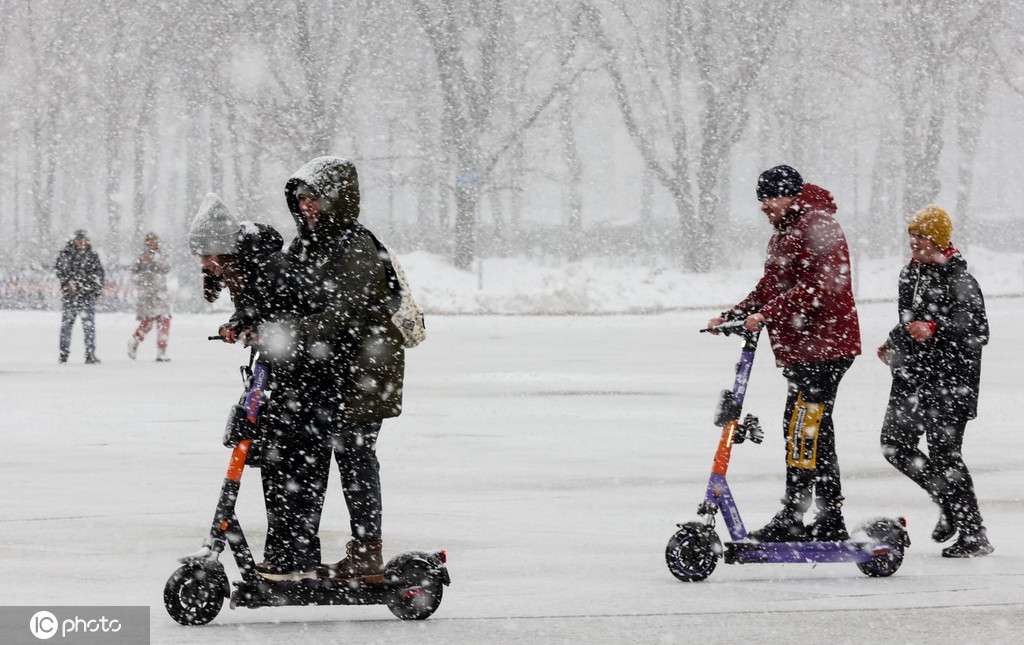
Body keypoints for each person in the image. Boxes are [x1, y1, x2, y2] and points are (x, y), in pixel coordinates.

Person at [255, 156, 405, 583]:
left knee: (355, 457)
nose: (306, 206)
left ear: (337, 199)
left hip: (364, 371)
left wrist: (286, 333)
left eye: (314, 198)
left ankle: (368, 553)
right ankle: (299, 549)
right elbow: (286, 297)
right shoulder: (304, 244)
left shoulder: (356, 245)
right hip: (325, 371)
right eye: (301, 198)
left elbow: (340, 314)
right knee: (312, 454)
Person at [707, 164, 861, 542]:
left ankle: (800, 515)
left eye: (770, 198)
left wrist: (767, 314)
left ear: (791, 195)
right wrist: (734, 314)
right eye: (760, 199)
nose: (764, 206)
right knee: (809, 429)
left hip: (825, 346)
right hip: (803, 349)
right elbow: (770, 285)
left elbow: (819, 286)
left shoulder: (818, 226)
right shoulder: (784, 232)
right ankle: (825, 515)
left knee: (804, 428)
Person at [877, 206, 992, 557]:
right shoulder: (909, 274)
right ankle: (948, 502)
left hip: (951, 380)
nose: (915, 242)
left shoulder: (960, 279)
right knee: (894, 444)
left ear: (940, 241)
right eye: (912, 235)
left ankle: (973, 534)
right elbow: (908, 320)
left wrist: (935, 329)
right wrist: (894, 342)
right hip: (912, 376)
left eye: (923, 236)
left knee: (945, 455)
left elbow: (978, 330)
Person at [55, 230, 105, 364]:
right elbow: (60, 271)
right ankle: (64, 353)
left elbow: (99, 274)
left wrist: (96, 290)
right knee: (68, 326)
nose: (83, 243)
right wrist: (67, 284)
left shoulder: (91, 256)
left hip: (86, 296)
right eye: (80, 240)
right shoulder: (66, 255)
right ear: (75, 241)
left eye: (85, 240)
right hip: (72, 296)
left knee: (88, 327)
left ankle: (90, 354)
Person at [128, 233, 173, 362]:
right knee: (147, 323)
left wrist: (156, 259)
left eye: (154, 241)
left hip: (161, 294)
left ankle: (162, 351)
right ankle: (134, 341)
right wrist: (141, 260)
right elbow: (132, 269)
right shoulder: (141, 255)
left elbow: (167, 268)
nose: (152, 243)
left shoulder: (162, 255)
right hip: (146, 295)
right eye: (149, 241)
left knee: (164, 322)